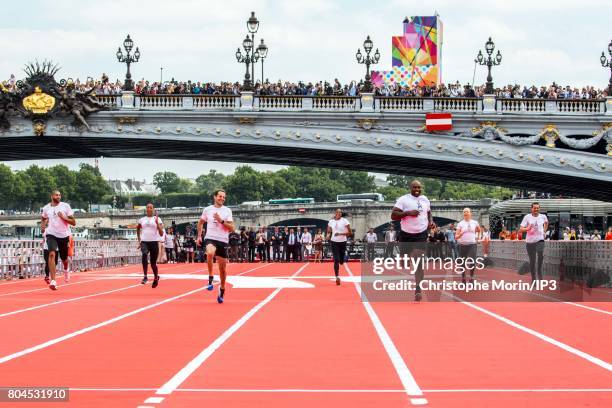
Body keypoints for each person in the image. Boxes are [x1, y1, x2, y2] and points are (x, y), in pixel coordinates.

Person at [391, 180, 435, 301]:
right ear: (410, 188)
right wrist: (407, 213)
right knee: (404, 263)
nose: (417, 189)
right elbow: (393, 215)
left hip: (421, 234)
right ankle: (404, 258)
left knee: (418, 263)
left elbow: (429, 213)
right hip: (406, 234)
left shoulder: (425, 199)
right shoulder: (403, 199)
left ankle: (418, 289)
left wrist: (431, 222)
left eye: (419, 187)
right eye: (414, 187)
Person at [197, 189, 235, 303]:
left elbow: (232, 228)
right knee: (209, 252)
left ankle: (222, 289)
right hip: (210, 237)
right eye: (220, 196)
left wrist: (221, 221)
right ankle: (211, 277)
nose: (222, 198)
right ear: (215, 197)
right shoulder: (207, 209)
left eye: (224, 197)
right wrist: (199, 236)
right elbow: (200, 222)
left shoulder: (227, 211)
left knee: (222, 269)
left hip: (222, 240)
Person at [40, 190, 76, 290]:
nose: (59, 196)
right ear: (51, 196)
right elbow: (43, 217)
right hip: (51, 234)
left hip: (64, 235)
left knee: (64, 259)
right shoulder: (46, 208)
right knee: (51, 254)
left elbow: (73, 222)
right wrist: (43, 225)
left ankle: (66, 269)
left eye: (60, 195)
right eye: (56, 195)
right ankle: (53, 280)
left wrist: (64, 218)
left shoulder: (65, 206)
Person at [519, 202, 548, 281]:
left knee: (540, 255)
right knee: (532, 260)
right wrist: (527, 228)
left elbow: (546, 223)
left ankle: (539, 272)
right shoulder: (527, 217)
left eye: (537, 208)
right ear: (531, 208)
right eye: (534, 208)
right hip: (530, 242)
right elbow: (521, 229)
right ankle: (534, 279)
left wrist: (544, 232)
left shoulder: (543, 216)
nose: (536, 209)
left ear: (539, 208)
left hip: (540, 239)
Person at [137, 203, 164, 288]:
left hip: (154, 242)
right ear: (146, 209)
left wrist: (157, 224)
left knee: (153, 263)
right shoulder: (142, 219)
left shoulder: (157, 219)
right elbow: (138, 228)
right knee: (144, 254)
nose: (149, 209)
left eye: (151, 208)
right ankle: (145, 276)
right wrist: (139, 240)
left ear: (153, 209)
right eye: (148, 207)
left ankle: (156, 277)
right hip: (144, 242)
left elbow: (161, 233)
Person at [327, 209, 352, 285]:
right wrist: (328, 236)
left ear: (341, 214)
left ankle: (342, 260)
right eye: (337, 212)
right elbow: (328, 231)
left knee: (341, 260)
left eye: (340, 212)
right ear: (335, 213)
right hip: (334, 242)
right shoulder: (331, 221)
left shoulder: (345, 221)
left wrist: (340, 234)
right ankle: (337, 277)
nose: (339, 213)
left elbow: (350, 233)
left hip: (342, 242)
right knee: (336, 259)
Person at [455, 208, 481, 283]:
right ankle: (463, 277)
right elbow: (456, 237)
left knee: (472, 261)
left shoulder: (475, 222)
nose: (466, 213)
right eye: (464, 212)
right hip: (463, 244)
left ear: (470, 213)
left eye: (467, 211)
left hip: (472, 244)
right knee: (462, 262)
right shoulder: (460, 224)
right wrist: (461, 233)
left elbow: (479, 230)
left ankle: (471, 277)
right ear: (463, 214)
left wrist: (478, 238)